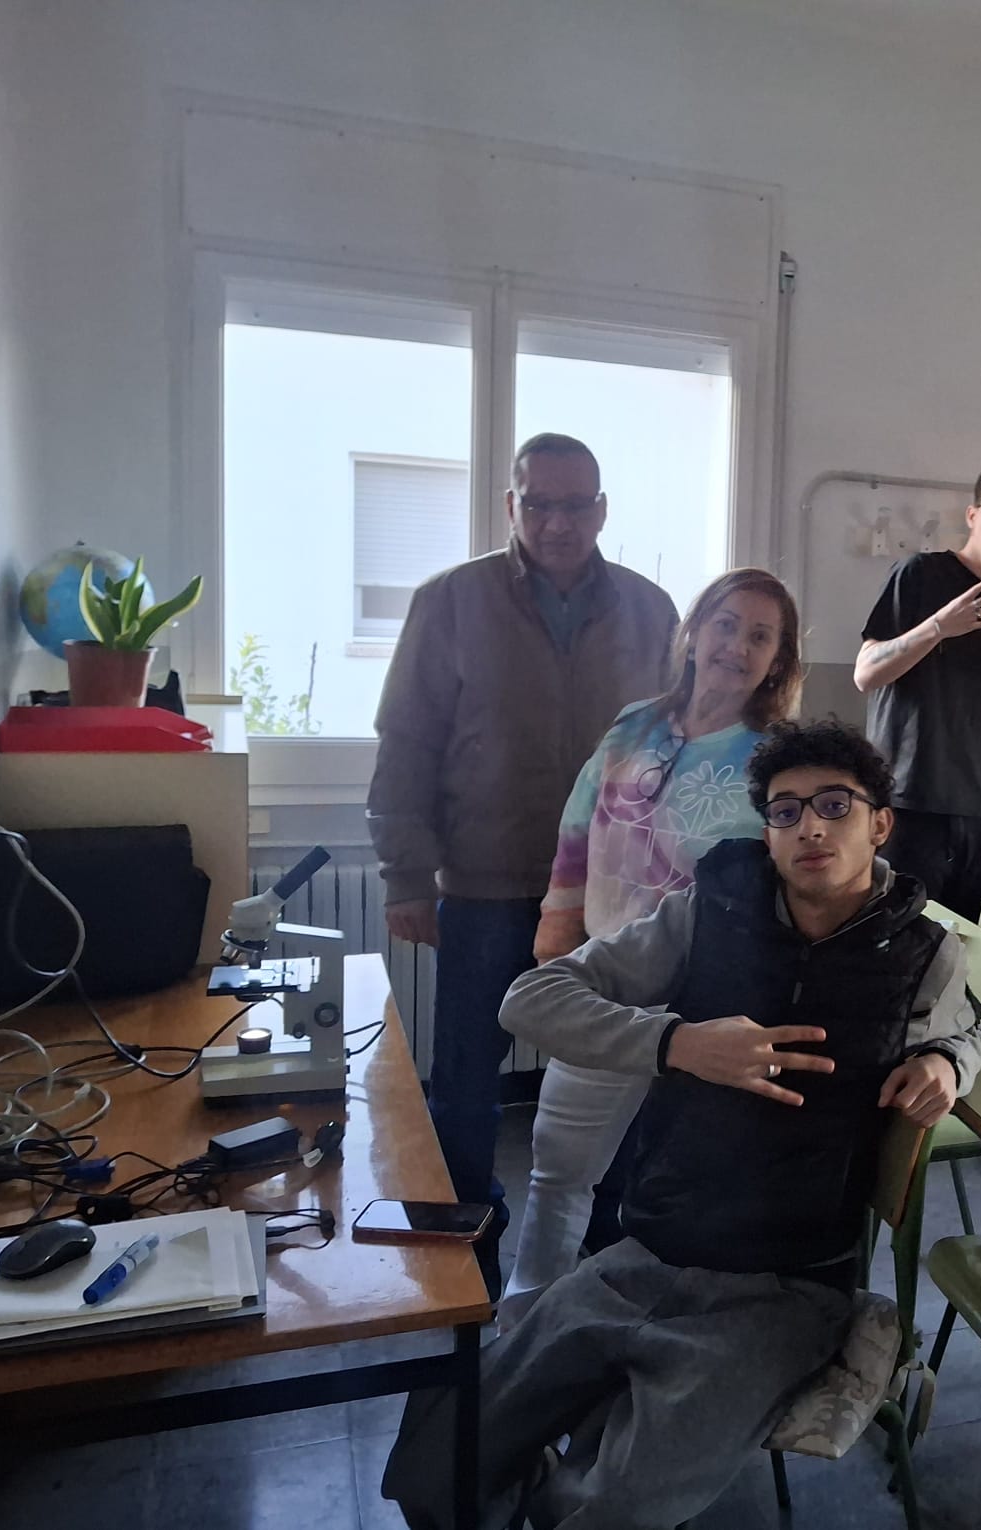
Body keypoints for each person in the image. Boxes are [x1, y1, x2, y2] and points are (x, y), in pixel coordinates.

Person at [381, 719, 981, 1530]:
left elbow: (972, 1023)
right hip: (646, 1252)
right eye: (785, 811)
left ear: (879, 824)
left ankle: (565, 1482)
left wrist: (948, 1062)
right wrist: (677, 1043)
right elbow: (530, 999)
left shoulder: (921, 950)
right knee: (433, 1466)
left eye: (834, 805)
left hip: (782, 1290)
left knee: (612, 1511)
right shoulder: (709, 912)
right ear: (767, 834)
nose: (810, 827)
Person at [367, 432, 678, 1295]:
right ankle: (467, 1251)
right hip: (485, 887)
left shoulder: (652, 610)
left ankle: (607, 1247)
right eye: (538, 503)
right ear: (512, 506)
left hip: (613, 898)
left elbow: (680, 743)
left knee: (625, 1070)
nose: (557, 522)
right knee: (466, 1080)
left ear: (601, 510)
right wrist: (404, 875)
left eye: (575, 504)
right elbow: (406, 741)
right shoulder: (450, 601)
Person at [505, 567, 803, 1313]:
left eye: (760, 636)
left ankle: (638, 1330)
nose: (738, 647)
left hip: (706, 1005)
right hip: (606, 987)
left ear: (777, 660)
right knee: (559, 1170)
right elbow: (577, 830)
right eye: (726, 625)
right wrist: (558, 938)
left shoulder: (777, 759)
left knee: (670, 1189)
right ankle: (527, 1325)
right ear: (694, 634)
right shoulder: (635, 724)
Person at [854, 461, 981, 918]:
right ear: (972, 514)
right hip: (908, 800)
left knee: (969, 945)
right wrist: (937, 628)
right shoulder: (919, 575)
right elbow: (865, 673)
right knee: (895, 934)